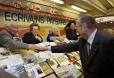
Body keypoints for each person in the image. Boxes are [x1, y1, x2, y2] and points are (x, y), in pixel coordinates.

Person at [38, 15, 114, 78]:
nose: (76, 30)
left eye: (77, 27)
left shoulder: (109, 41)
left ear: (84, 26)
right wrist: (46, 48)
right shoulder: (82, 40)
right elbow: (68, 46)